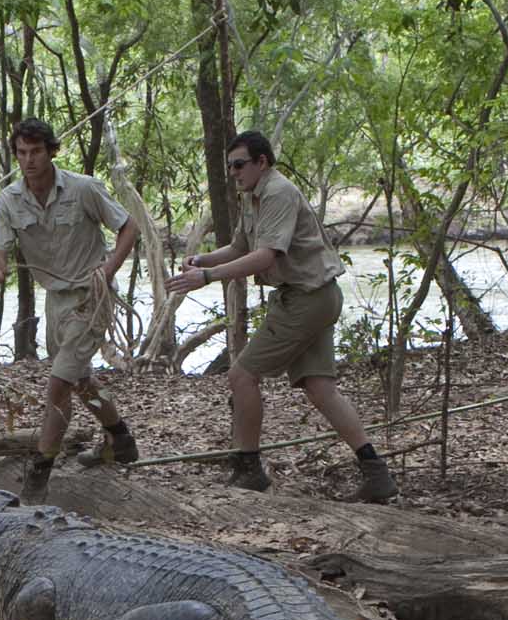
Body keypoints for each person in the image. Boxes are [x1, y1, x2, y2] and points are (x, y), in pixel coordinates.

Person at [164, 130, 398, 502]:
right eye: (230, 167)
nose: (234, 173)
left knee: (242, 374)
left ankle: (249, 468)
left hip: (308, 299)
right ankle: (376, 472)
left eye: (240, 165)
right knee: (320, 388)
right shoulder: (253, 196)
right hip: (313, 296)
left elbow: (266, 256)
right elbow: (242, 245)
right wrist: (203, 260)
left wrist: (205, 278)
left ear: (262, 162)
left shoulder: (278, 192)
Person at [0, 117, 141, 502]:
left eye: (36, 151)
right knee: (79, 381)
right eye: (22, 153)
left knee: (57, 385)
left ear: (52, 151)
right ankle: (120, 438)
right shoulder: (9, 200)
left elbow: (130, 226)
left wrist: (109, 268)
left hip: (92, 296)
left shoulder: (83, 188)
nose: (29, 160)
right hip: (56, 300)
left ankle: (39, 473)